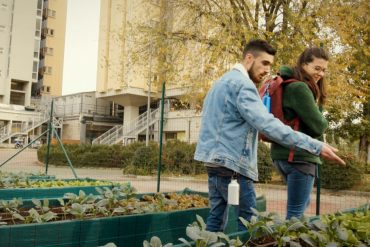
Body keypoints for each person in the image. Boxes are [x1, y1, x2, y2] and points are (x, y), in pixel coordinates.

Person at [194, 39, 345, 232]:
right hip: (234, 167)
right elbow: (269, 125)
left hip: (212, 162)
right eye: (264, 63)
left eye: (270, 65)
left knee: (215, 221)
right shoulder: (243, 86)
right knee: (249, 226)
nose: (267, 70)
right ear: (249, 58)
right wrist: (315, 145)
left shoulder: (220, 83)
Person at [271, 47, 331, 219]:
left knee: (300, 208)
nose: (321, 74)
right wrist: (319, 108)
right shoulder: (300, 88)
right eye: (317, 68)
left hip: (283, 155)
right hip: (299, 158)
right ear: (304, 65)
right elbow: (319, 126)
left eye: (324, 70)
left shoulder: (288, 83)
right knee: (295, 215)